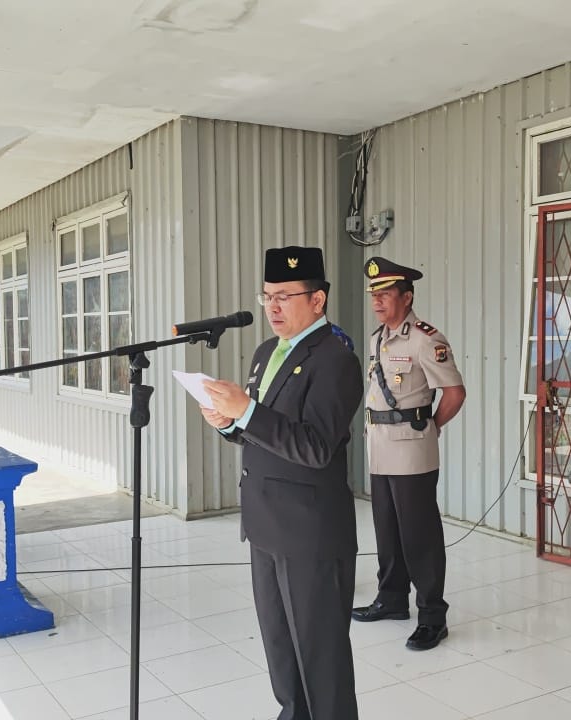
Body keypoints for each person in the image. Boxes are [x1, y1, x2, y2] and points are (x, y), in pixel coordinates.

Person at [200, 245, 362, 720]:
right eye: (267, 296)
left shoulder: (335, 359)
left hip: (310, 534)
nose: (272, 307)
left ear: (317, 300)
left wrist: (245, 411)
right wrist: (228, 422)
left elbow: (315, 446)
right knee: (281, 653)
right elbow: (261, 430)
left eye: (284, 296)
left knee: (321, 661)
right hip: (265, 525)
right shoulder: (267, 352)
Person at [350, 257, 466, 651]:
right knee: (387, 529)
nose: (377, 302)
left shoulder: (424, 339)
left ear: (407, 297)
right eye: (374, 295)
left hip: (412, 451)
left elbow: (455, 393)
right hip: (380, 446)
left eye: (385, 294)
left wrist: (431, 426)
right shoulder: (378, 338)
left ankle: (432, 615)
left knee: (420, 535)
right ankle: (392, 598)